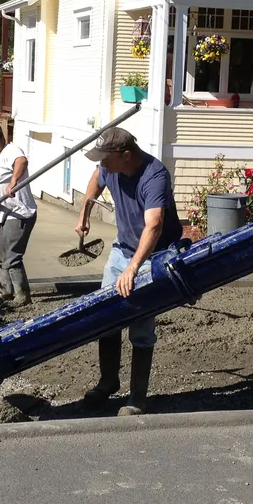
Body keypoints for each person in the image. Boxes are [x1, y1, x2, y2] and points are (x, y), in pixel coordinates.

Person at [75, 127, 183, 415]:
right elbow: (96, 179)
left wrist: (134, 268)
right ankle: (108, 381)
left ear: (125, 155)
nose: (103, 165)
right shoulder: (110, 167)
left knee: (141, 325)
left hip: (153, 256)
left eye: (107, 159)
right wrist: (84, 211)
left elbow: (155, 225)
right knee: (105, 317)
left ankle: (138, 396)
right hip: (121, 249)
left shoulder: (154, 176)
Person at [0, 123, 38, 307]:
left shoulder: (11, 150)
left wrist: (13, 180)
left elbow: (22, 161)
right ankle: (5, 291)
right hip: (1, 214)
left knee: (12, 257)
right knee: (1, 257)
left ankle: (22, 295)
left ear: (1, 137)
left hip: (18, 213)